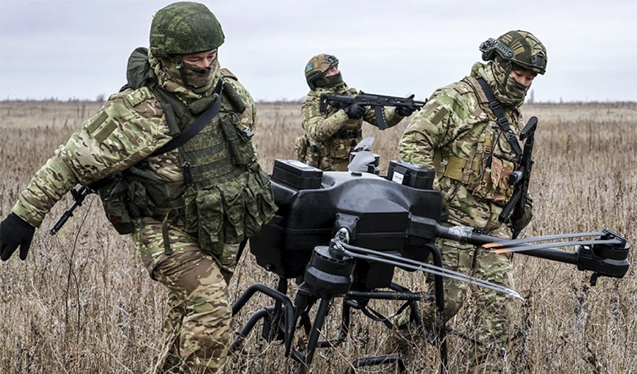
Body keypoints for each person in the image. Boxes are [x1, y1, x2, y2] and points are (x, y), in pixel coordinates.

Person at [0, 2, 277, 373]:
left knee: (187, 318)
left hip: (219, 221)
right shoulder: (138, 113)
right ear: (169, 59)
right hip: (165, 228)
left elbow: (244, 149)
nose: (206, 65)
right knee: (210, 307)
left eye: (211, 56)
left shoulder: (232, 93)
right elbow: (68, 162)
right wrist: (23, 218)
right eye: (195, 59)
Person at [397, 30, 547, 371]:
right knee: (445, 303)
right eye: (518, 74)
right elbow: (413, 144)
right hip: (451, 224)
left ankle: (481, 367)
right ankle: (401, 350)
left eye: (530, 77)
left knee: (501, 308)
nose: (523, 83)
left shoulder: (511, 114)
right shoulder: (456, 98)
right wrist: (432, 199)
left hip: (491, 227)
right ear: (497, 64)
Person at [295, 53, 416, 171]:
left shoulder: (351, 96)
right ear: (319, 79)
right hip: (325, 168)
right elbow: (315, 133)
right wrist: (346, 113)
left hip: (354, 164)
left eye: (336, 68)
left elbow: (380, 119)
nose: (337, 72)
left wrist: (398, 112)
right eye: (331, 71)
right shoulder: (312, 103)